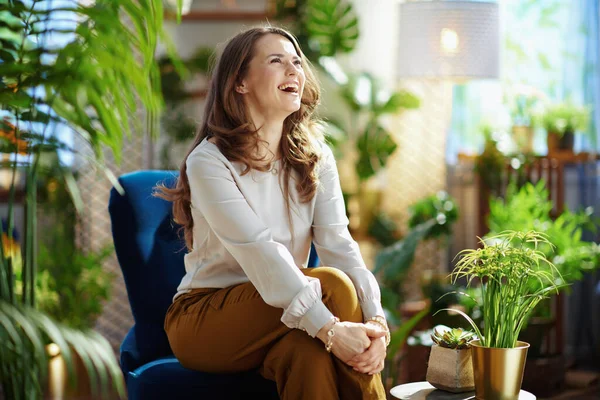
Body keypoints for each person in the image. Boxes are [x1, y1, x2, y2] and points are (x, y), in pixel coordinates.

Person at [157, 26, 390, 400]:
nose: (294, 71)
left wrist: (376, 322)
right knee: (332, 286)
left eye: (297, 62)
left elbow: (339, 243)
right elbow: (261, 252)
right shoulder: (210, 160)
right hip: (204, 319)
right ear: (240, 83)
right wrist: (332, 329)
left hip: (285, 312)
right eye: (276, 61)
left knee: (307, 356)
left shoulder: (315, 155)